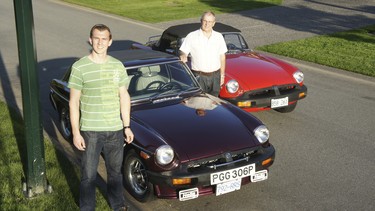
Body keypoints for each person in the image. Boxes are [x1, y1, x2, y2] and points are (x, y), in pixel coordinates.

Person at [68, 24, 134, 211]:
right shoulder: (80, 67)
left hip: (115, 129)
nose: (100, 42)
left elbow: (124, 96)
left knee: (115, 173)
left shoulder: (117, 65)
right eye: (96, 38)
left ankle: (118, 205)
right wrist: (76, 133)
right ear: (90, 39)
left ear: (110, 41)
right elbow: (73, 102)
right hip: (90, 131)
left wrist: (126, 126)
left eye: (104, 38)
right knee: (88, 175)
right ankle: (87, 207)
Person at [179, 11, 227, 97]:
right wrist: (183, 55)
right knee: (200, 104)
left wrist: (222, 76)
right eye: (205, 21)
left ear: (213, 23)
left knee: (214, 103)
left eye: (209, 22)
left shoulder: (219, 37)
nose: (207, 24)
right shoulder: (191, 36)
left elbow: (222, 57)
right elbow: (183, 51)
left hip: (215, 76)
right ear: (201, 21)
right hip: (199, 76)